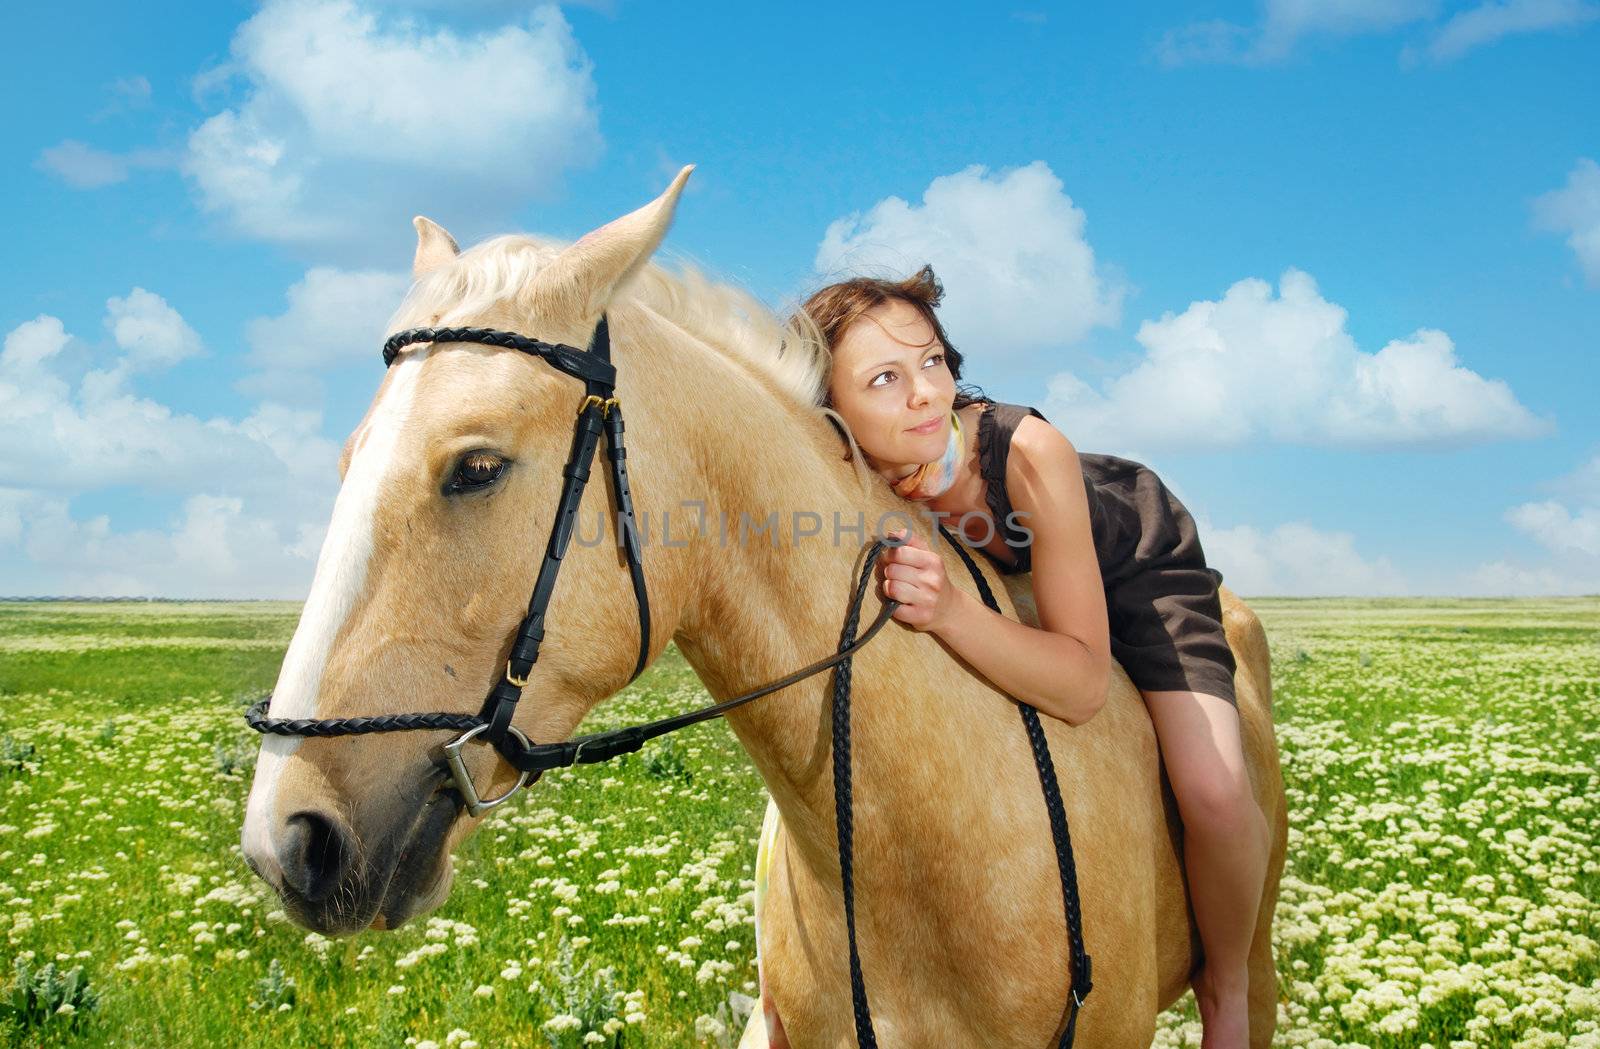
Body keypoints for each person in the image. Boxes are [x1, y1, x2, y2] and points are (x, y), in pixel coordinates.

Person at [782, 265, 1270, 1048]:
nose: (924, 395)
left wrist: (949, 611)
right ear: (831, 410)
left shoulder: (1029, 450)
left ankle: (1230, 985)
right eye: (885, 378)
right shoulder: (842, 474)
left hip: (1127, 563)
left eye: (933, 362)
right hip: (1003, 577)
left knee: (1213, 787)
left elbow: (1080, 684)